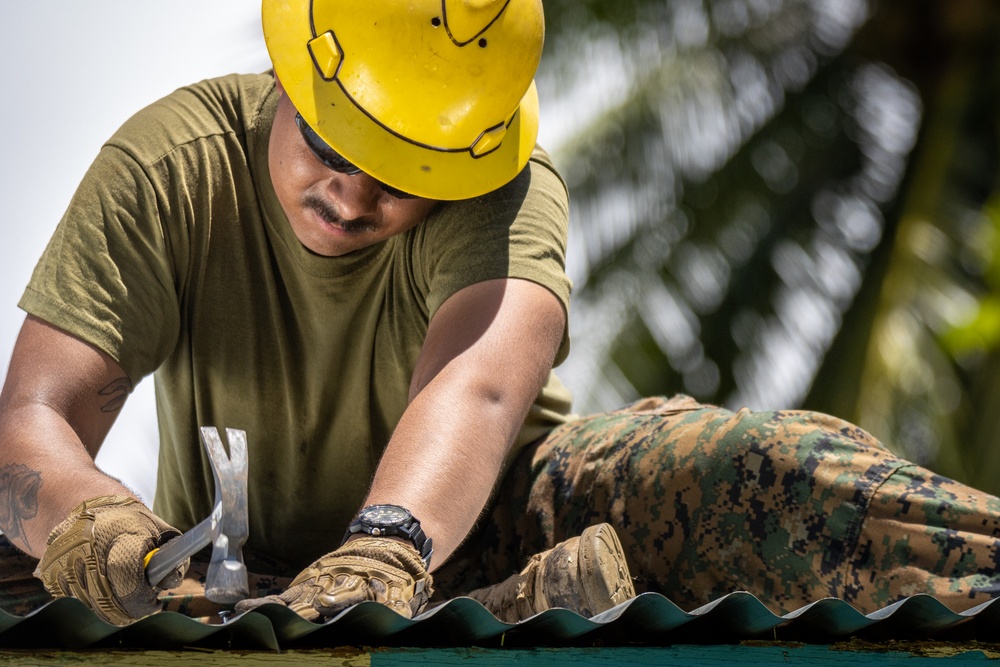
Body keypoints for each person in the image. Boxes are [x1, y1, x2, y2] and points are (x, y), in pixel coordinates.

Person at [2, 0, 1000, 628]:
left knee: (758, 472)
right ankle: (497, 617)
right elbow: (31, 421)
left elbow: (475, 384)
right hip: (225, 568)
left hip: (484, 524)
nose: (352, 197)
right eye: (329, 147)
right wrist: (92, 526)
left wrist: (389, 544)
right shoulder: (172, 163)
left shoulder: (511, 192)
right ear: (293, 76)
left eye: (401, 178)